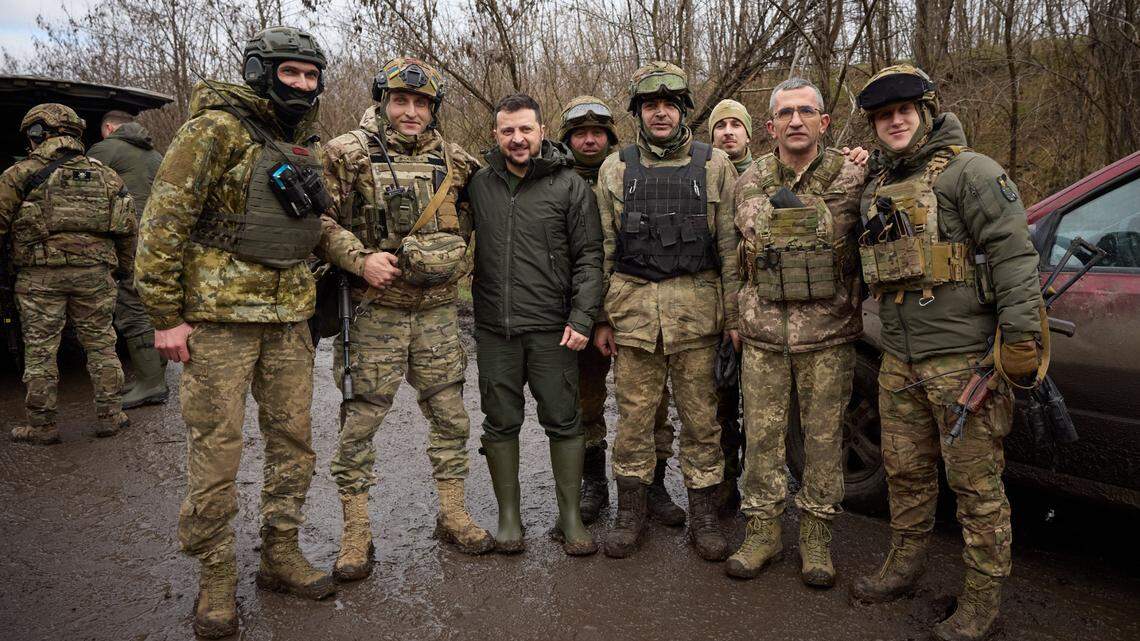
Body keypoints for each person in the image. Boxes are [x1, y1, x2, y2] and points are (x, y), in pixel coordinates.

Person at [135, 26, 361, 638]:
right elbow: (163, 222)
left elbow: (316, 224)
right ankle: (215, 577)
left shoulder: (300, 143)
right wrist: (164, 316)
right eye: (291, 73)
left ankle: (279, 552)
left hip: (289, 319)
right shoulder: (214, 130)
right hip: (218, 320)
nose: (303, 85)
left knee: (294, 442)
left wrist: (357, 256)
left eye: (312, 76)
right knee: (217, 449)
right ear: (262, 71)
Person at [848, 65, 1043, 641]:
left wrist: (1022, 339)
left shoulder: (973, 173)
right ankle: (903, 567)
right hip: (900, 360)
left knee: (976, 488)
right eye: (884, 116)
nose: (895, 121)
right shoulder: (878, 185)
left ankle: (982, 601)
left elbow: (1014, 256)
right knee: (905, 473)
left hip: (964, 363)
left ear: (927, 113)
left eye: (905, 111)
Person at [318, 57, 493, 581]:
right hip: (375, 313)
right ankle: (356, 532)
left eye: (421, 103)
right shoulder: (347, 153)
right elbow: (317, 221)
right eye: (401, 101)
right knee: (361, 421)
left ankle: (453, 512)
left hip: (438, 313)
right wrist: (358, 258)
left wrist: (462, 261)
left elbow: (483, 219)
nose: (411, 111)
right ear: (383, 102)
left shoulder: (456, 161)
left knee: (451, 416)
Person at [594, 62, 739, 561]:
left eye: (669, 105)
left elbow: (731, 251)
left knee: (702, 421)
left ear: (682, 111)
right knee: (634, 419)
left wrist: (735, 320)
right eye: (650, 105)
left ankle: (703, 515)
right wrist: (599, 319)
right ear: (638, 112)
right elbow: (603, 250)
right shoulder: (615, 167)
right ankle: (630, 512)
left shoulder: (715, 164)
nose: (660, 113)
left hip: (697, 317)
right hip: (633, 318)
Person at [725, 78, 866, 587]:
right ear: (770, 126)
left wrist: (797, 219)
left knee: (824, 441)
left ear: (824, 122)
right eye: (785, 114)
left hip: (827, 335)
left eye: (807, 112)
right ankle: (762, 530)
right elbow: (755, 230)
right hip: (763, 333)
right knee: (762, 438)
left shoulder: (848, 173)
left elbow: (836, 226)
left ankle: (817, 536)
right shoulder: (752, 176)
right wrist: (807, 219)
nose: (796, 121)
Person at [467, 93, 603, 556]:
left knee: (564, 421)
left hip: (553, 329)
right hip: (494, 329)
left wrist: (583, 316)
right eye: (508, 130)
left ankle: (570, 518)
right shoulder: (478, 184)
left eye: (526, 129)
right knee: (500, 421)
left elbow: (590, 257)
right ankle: (509, 517)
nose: (517, 138)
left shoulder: (569, 186)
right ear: (495, 135)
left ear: (542, 131)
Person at [556, 95, 685, 527]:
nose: (589, 141)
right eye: (580, 133)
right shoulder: (551, 177)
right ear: (567, 138)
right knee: (587, 402)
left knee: (650, 403)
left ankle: (655, 485)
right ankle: (594, 484)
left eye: (597, 133)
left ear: (610, 136)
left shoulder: (631, 170)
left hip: (635, 308)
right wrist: (590, 318)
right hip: (576, 312)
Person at [0, 103, 135, 444]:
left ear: (35, 134)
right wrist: (124, 270)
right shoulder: (106, 174)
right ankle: (110, 415)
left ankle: (41, 425)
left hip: (38, 277)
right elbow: (127, 230)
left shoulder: (18, 174)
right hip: (94, 274)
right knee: (102, 344)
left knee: (40, 350)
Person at [87, 109, 167, 409]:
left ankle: (151, 382)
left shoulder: (104, 150)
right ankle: (152, 376)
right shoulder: (155, 154)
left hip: (129, 240)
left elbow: (84, 192)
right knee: (154, 303)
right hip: (160, 238)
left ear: (108, 128)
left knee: (131, 305)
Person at [709, 98, 754, 174]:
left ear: (748, 136)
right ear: (713, 139)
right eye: (720, 126)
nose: (728, 132)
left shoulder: (766, 177)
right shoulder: (699, 177)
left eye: (736, 125)